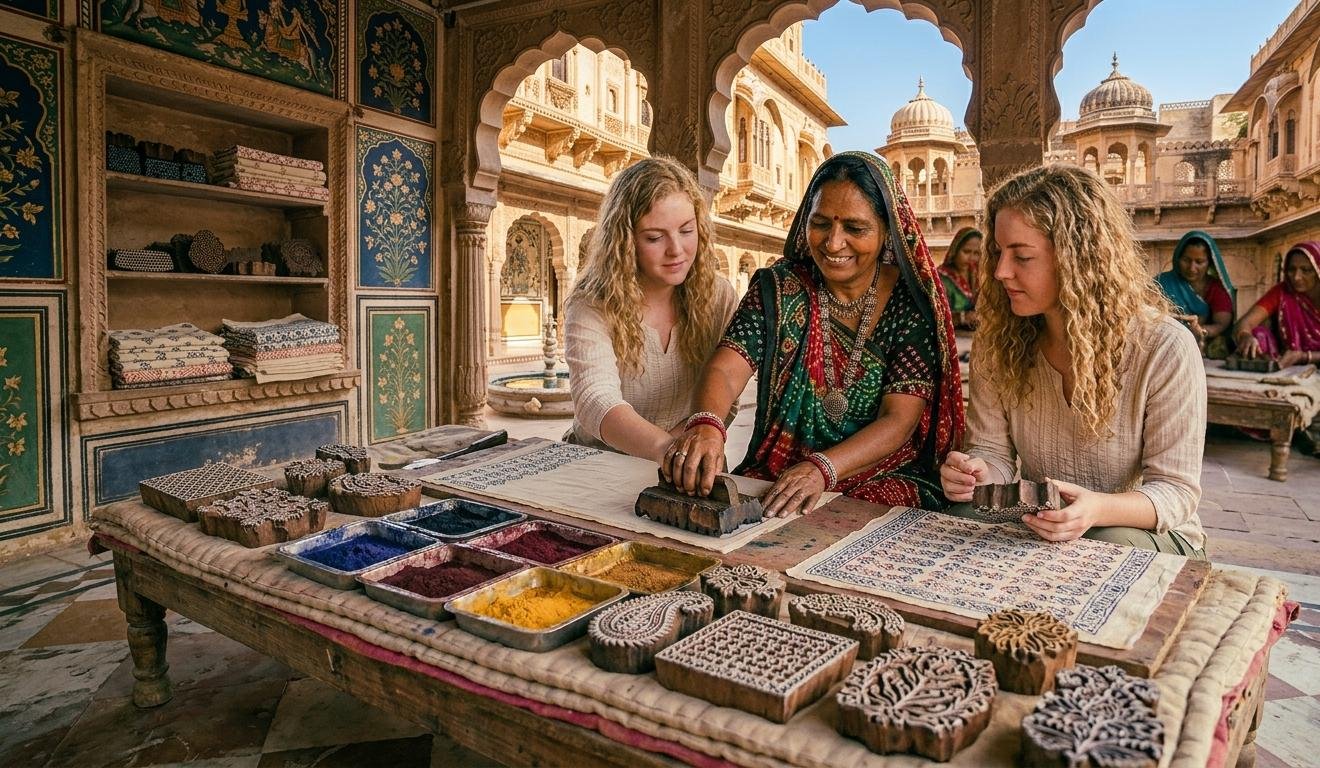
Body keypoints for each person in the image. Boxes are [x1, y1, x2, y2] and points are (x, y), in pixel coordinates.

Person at [669, 151, 964, 517]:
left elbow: (899, 420)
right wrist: (707, 424)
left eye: (855, 229)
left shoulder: (908, 305)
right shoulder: (780, 289)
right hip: (782, 474)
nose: (833, 243)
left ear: (887, 231)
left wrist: (823, 469)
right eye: (821, 223)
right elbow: (726, 368)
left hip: (884, 474)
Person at [939, 165, 1206, 557]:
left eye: (1022, 256)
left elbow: (1175, 492)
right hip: (1042, 523)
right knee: (959, 517)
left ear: (1078, 259)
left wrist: (1095, 509)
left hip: (1141, 531)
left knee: (1100, 544)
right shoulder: (999, 343)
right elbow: (992, 452)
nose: (1000, 272)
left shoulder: (1165, 348)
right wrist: (975, 475)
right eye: (998, 253)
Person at [564, 156, 738, 463]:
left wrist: (685, 450)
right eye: (655, 237)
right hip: (598, 465)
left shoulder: (719, 296)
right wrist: (667, 450)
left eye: (687, 230)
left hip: (689, 462)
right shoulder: (592, 303)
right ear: (625, 240)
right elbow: (594, 399)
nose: (676, 250)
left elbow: (727, 392)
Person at [1233, 242, 1320, 369]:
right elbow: (1246, 322)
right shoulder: (1283, 291)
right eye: (1291, 269)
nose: (1296, 277)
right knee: (1258, 334)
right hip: (1288, 363)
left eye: (1306, 270)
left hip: (1307, 361)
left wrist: (1304, 356)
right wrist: (1245, 336)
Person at [1155, 231, 1236, 358]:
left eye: (1199, 262)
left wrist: (1200, 330)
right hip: (1164, 344)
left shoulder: (1216, 289)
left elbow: (1221, 323)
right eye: (1186, 260)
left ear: (1209, 262)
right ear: (1177, 258)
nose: (1192, 268)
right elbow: (1150, 316)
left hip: (1202, 350)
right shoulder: (1161, 283)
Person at [939, 227, 982, 329]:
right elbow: (938, 316)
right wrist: (962, 317)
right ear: (955, 250)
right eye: (966, 252)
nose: (971, 258)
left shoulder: (978, 275)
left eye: (976, 253)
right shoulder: (941, 278)